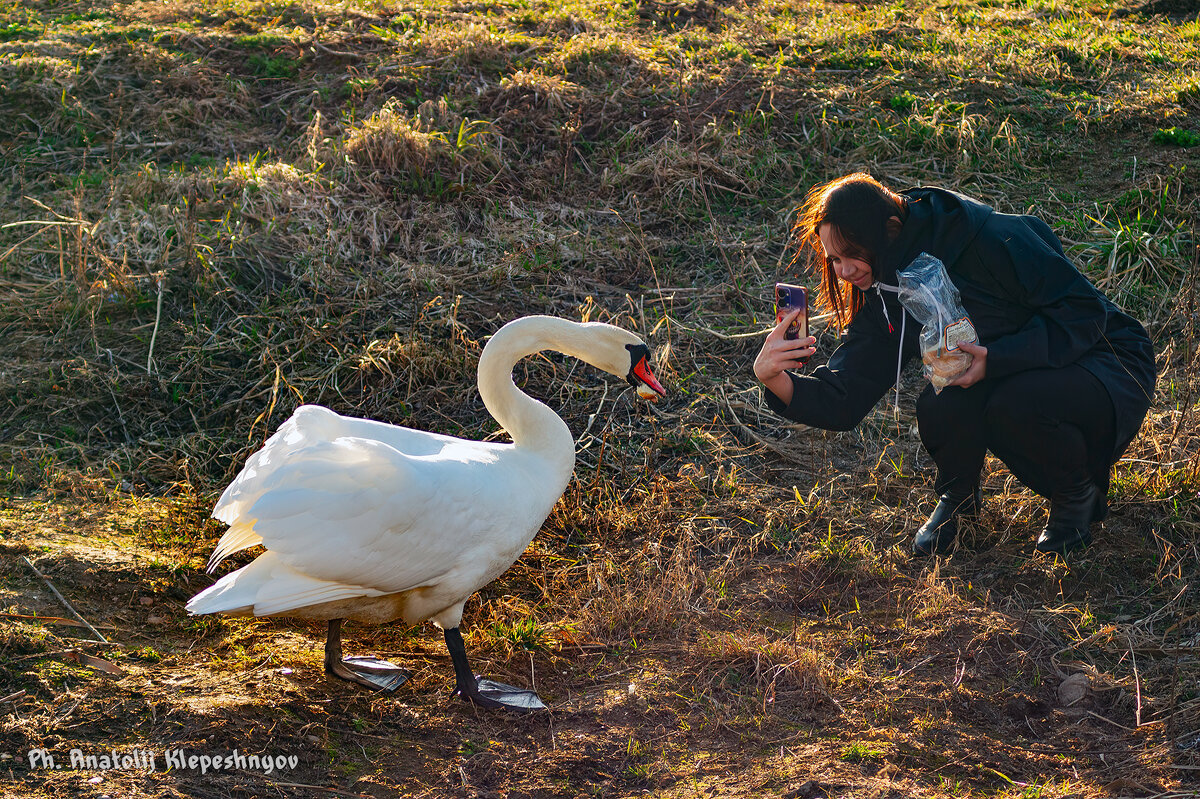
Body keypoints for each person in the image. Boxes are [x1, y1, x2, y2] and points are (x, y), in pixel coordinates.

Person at [754, 173, 1155, 556]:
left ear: (891, 229)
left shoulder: (991, 238)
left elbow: (1084, 313)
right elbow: (846, 396)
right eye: (834, 259)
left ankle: (1076, 495)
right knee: (939, 402)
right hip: (1025, 370)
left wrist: (998, 360)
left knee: (1013, 403)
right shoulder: (882, 288)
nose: (843, 271)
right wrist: (773, 377)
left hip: (1105, 361)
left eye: (852, 255)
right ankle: (959, 500)